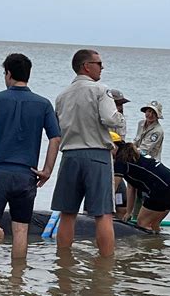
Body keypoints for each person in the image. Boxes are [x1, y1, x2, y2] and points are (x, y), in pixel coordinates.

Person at [0, 53, 61, 259]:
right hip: (25, 174)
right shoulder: (43, 104)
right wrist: (47, 171)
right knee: (21, 230)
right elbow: (55, 138)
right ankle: (17, 281)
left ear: (8, 74)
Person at [51, 49, 126, 257]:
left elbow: (57, 127)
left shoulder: (61, 96)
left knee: (67, 214)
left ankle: (63, 262)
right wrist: (121, 120)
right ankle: (106, 266)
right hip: (97, 154)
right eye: (99, 63)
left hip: (69, 156)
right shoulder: (100, 90)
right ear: (87, 66)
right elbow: (111, 119)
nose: (102, 67)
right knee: (103, 215)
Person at [112, 139, 170, 232]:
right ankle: (157, 244)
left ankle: (148, 245)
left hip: (162, 189)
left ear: (114, 146)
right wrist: (129, 212)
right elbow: (131, 188)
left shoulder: (120, 162)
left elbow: (113, 188)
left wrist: (105, 212)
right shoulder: (130, 155)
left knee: (142, 223)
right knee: (153, 225)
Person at [107, 89, 130, 218]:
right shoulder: (102, 118)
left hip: (117, 164)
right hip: (104, 164)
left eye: (121, 104)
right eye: (117, 104)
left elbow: (121, 142)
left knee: (122, 205)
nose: (120, 108)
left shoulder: (121, 120)